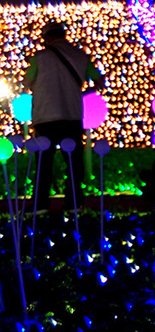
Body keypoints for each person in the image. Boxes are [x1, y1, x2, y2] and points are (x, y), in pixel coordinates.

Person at [23, 20, 104, 212]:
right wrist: (82, 93)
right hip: (72, 116)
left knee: (44, 163)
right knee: (74, 163)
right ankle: (74, 203)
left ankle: (41, 204)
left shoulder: (39, 57)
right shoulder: (80, 56)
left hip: (45, 116)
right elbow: (100, 81)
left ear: (47, 38)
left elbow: (27, 82)